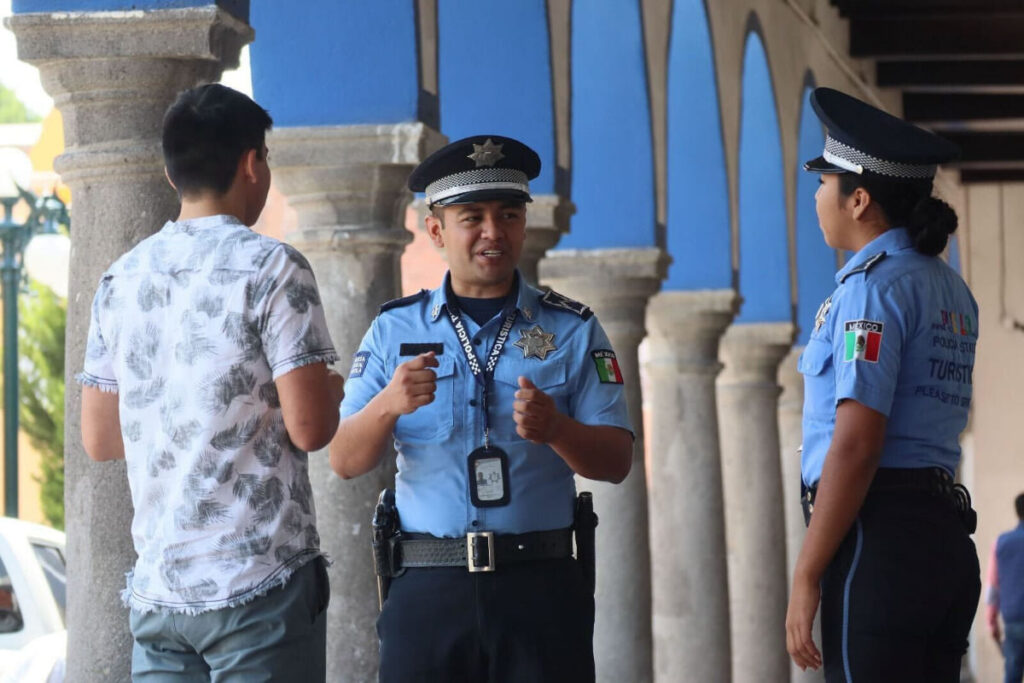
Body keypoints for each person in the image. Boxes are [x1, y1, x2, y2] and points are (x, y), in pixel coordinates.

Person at [329, 135, 633, 683]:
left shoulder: (573, 328)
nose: (493, 232)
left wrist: (558, 429)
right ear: (437, 230)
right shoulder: (395, 328)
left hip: (539, 584)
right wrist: (388, 406)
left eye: (509, 215)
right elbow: (344, 460)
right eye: (473, 217)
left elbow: (615, 461)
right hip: (428, 587)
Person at [77, 83, 343, 682]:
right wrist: (333, 388)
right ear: (253, 163)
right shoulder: (275, 268)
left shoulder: (120, 280)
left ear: (173, 176)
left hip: (161, 591)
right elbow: (311, 427)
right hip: (261, 584)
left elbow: (100, 438)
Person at [784, 87, 981, 682]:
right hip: (942, 536)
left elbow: (857, 442)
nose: (816, 195)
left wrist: (807, 573)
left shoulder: (872, 289)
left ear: (858, 199)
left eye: (823, 182)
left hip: (879, 540)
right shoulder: (949, 289)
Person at [987, 493, 1024, 683]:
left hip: (1014, 620)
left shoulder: (1001, 543)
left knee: (1013, 675)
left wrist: (992, 622)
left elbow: (993, 587)